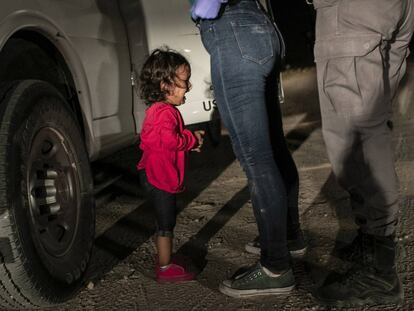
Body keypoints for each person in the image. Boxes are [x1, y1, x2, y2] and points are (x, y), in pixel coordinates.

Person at [191, 0, 306, 298]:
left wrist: (202, 9)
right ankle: (288, 236)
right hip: (261, 27)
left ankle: (275, 268)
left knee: (256, 158)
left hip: (233, 30)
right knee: (273, 147)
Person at [311, 0, 414, 306]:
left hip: (353, 11)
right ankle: (372, 239)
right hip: (387, 10)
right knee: (371, 123)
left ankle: (379, 271)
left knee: (355, 135)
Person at [137, 48, 204, 283]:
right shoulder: (165, 112)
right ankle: (165, 267)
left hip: (150, 174)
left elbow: (160, 140)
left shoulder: (157, 111)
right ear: (166, 85)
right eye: (184, 82)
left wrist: (187, 142)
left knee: (162, 220)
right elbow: (169, 140)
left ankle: (165, 259)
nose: (188, 87)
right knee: (166, 223)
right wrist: (191, 139)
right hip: (160, 178)